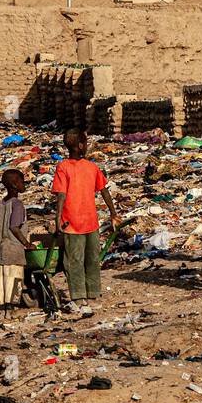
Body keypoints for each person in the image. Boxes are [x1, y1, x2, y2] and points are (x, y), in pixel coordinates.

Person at [51, 128, 118, 312]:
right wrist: (113, 213)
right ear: (81, 145)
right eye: (86, 143)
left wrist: (57, 219)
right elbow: (104, 190)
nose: (87, 146)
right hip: (87, 222)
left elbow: (62, 195)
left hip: (72, 222)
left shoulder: (63, 167)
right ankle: (90, 295)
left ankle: (80, 298)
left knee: (75, 261)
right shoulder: (91, 167)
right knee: (91, 259)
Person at [0, 168, 31, 310]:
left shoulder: (2, 203)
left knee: (1, 281)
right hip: (14, 249)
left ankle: (1, 310)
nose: (24, 184)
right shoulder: (17, 204)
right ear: (14, 185)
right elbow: (14, 227)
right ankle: (11, 309)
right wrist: (26, 243)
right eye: (22, 181)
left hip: (0, 249)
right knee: (15, 280)